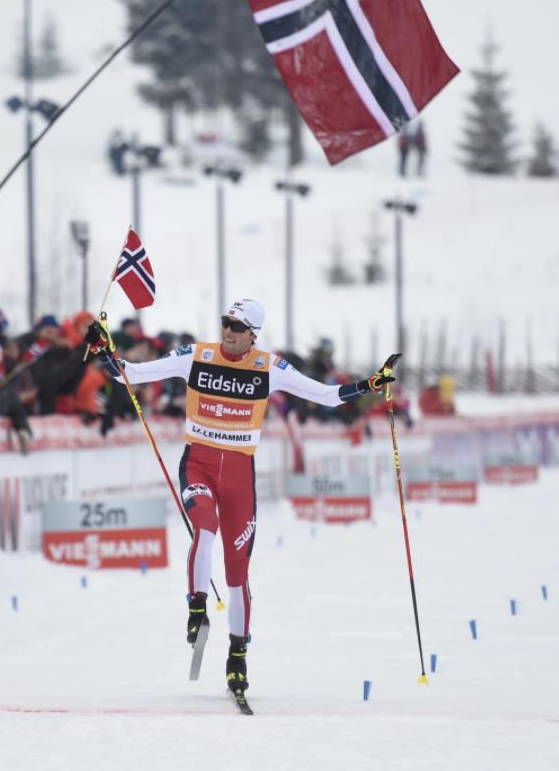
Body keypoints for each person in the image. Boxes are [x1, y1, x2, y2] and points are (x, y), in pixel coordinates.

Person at [83, 298, 397, 703]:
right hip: (197, 464)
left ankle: (237, 654)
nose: (228, 331)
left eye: (237, 326)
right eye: (225, 323)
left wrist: (369, 385)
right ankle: (196, 604)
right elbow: (131, 374)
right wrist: (104, 352)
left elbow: (328, 396)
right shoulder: (197, 355)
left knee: (237, 576)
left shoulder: (270, 367)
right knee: (205, 530)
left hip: (238, 479)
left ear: (254, 333)